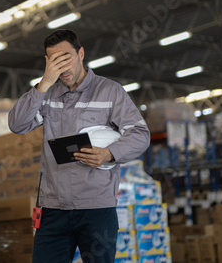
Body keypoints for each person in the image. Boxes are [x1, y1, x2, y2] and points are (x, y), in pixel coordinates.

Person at [8, 29, 150, 263]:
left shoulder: (110, 91)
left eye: (67, 57)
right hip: (52, 208)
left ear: (81, 53)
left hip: (96, 208)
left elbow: (140, 134)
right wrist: (44, 83)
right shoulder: (47, 94)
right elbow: (17, 124)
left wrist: (109, 153)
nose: (63, 66)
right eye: (55, 60)